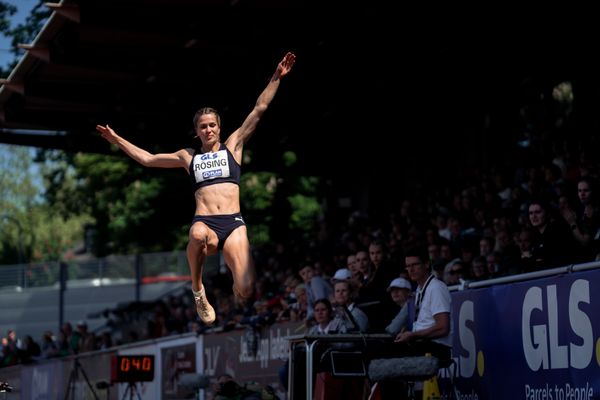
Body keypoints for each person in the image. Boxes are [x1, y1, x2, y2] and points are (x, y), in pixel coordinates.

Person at [96, 52, 296, 324]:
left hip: (234, 223)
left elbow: (259, 109)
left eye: (212, 125)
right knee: (197, 234)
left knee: (248, 289)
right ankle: (198, 289)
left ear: (220, 127)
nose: (208, 130)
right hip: (206, 222)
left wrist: (276, 77)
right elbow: (148, 159)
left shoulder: (234, 146)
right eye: (203, 127)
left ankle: (238, 286)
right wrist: (117, 139)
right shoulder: (187, 157)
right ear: (197, 131)